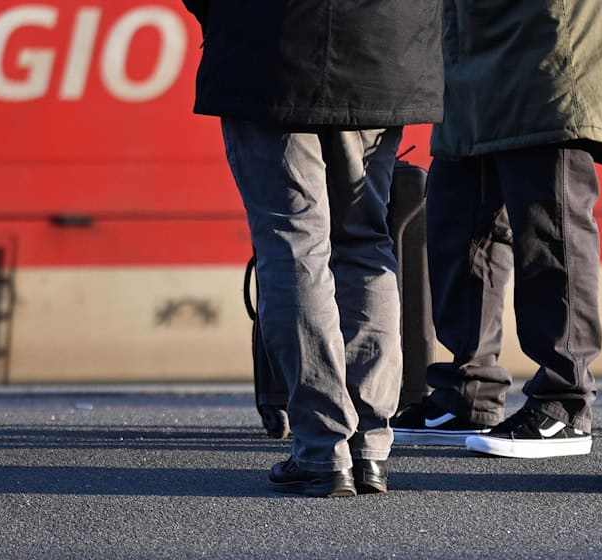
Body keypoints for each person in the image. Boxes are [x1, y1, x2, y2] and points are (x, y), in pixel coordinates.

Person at [181, 1, 444, 495]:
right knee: (366, 240)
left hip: (269, 44)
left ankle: (324, 449)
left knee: (294, 242)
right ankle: (369, 448)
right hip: (385, 46)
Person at [391, 0, 602, 458]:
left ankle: (565, 400)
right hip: (471, 39)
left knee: (548, 218)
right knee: (456, 215)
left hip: (547, 35)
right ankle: (469, 392)